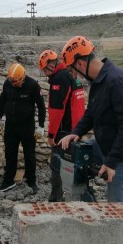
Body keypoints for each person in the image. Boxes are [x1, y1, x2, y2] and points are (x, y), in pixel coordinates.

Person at [58, 36, 123, 203]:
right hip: (105, 145)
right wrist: (76, 133)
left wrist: (112, 162)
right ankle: (84, 197)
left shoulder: (118, 81)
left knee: (117, 206)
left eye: (72, 71)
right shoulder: (98, 82)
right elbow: (91, 112)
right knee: (73, 153)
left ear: (80, 64)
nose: (73, 76)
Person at [37, 50, 85, 202]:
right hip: (76, 129)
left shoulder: (59, 79)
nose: (44, 73)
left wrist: (51, 135)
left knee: (57, 165)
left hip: (63, 131)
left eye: (45, 69)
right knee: (78, 165)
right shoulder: (71, 76)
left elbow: (56, 110)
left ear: (51, 65)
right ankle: (81, 197)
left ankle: (56, 198)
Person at [0, 63, 46, 193]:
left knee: (29, 155)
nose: (13, 84)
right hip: (10, 125)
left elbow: (41, 106)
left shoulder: (33, 85)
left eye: (16, 82)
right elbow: (2, 100)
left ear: (23, 77)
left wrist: (41, 126)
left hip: (27, 126)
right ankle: (8, 181)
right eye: (11, 82)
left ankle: (31, 181)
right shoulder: (8, 83)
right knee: (10, 153)